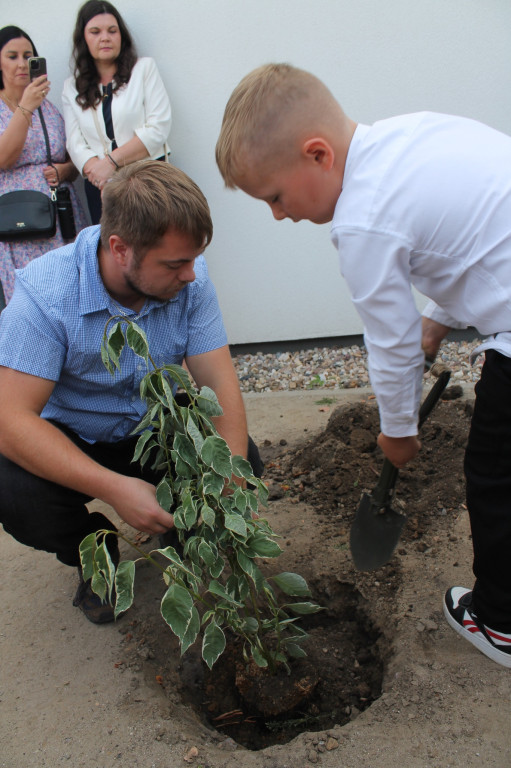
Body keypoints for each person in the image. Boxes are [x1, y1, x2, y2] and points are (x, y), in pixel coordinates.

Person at [215, 62, 511, 668]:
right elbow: (469, 240)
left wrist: (397, 431)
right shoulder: (410, 138)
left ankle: (502, 622)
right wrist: (438, 318)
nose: (277, 214)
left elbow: (392, 344)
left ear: (317, 154)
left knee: (495, 475)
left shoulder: (362, 221)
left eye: (274, 196)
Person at [0, 160, 262, 624]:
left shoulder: (190, 279)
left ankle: (184, 536)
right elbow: (10, 419)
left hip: (155, 427)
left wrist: (230, 485)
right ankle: (93, 548)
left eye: (193, 259)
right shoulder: (46, 295)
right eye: (175, 263)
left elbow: (218, 384)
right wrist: (115, 490)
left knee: (242, 457)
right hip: (76, 435)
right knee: (11, 491)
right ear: (120, 248)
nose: (190, 276)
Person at [0, 25, 87, 306]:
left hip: (58, 217)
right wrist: (25, 107)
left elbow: (71, 156)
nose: (22, 63)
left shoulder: (48, 107)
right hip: (17, 223)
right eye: (12, 56)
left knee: (69, 294)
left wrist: (65, 171)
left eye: (28, 56)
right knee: (30, 301)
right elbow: (4, 159)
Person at [62, 1, 172, 224]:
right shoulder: (71, 87)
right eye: (95, 32)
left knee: (154, 248)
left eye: (112, 31)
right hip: (99, 187)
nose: (105, 37)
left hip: (147, 180)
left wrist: (110, 163)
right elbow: (75, 144)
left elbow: (158, 127)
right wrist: (101, 177)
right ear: (83, 39)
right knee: (113, 253)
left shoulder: (143, 69)